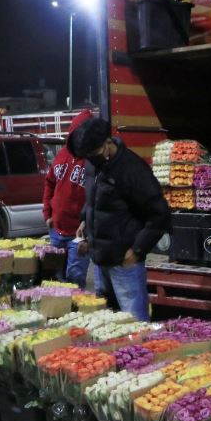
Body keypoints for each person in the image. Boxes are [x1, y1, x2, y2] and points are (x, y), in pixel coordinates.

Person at [68, 118, 171, 322]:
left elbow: (159, 214)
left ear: (108, 143)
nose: (89, 159)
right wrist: (85, 221)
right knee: (108, 323)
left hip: (125, 262)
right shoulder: (93, 164)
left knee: (134, 324)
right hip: (100, 260)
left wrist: (138, 250)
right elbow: (95, 199)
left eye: (92, 154)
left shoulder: (132, 169)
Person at [43, 109, 93, 288]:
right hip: (56, 230)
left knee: (75, 279)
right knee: (54, 280)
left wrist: (87, 225)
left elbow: (96, 197)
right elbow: (49, 183)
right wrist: (47, 214)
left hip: (78, 234)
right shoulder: (62, 154)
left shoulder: (93, 160)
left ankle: (75, 314)